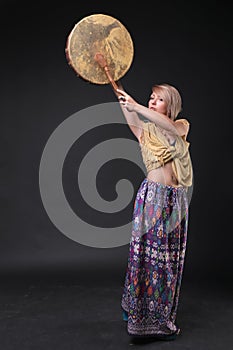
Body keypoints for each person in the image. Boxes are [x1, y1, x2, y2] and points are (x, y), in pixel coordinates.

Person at [116, 83, 193, 340]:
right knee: (147, 260)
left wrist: (137, 105)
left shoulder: (180, 125)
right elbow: (131, 115)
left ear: (169, 106)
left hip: (176, 200)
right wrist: (124, 98)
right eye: (150, 97)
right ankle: (143, 320)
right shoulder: (144, 132)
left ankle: (162, 318)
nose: (151, 101)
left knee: (168, 262)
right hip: (153, 198)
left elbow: (170, 128)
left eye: (158, 99)